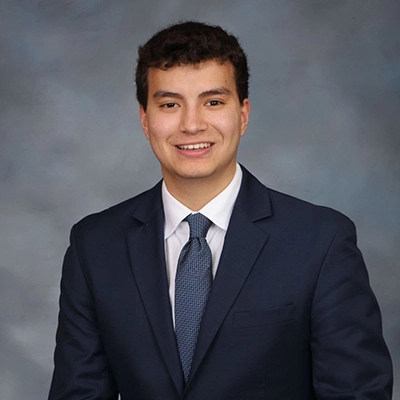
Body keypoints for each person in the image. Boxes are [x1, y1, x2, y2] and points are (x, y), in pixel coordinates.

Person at [48, 21, 393, 400]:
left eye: (213, 102)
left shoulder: (321, 242)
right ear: (145, 120)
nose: (192, 124)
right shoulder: (94, 246)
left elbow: (358, 393)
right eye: (169, 104)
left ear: (243, 114)